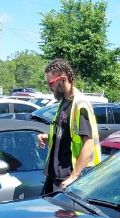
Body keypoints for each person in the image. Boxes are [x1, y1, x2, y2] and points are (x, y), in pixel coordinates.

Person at [37, 59, 101, 194]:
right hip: (53, 176)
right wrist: (49, 137)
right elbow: (67, 136)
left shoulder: (80, 105)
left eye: (51, 83)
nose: (49, 87)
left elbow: (88, 144)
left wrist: (74, 176)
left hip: (67, 178)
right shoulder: (64, 102)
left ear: (62, 79)